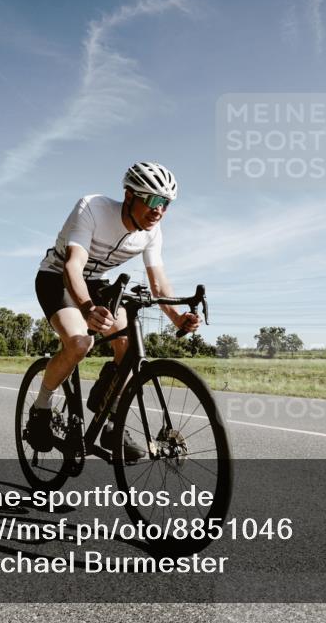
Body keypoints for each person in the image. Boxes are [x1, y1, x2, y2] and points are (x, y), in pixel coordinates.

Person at [27, 162, 201, 459]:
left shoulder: (152, 232)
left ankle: (108, 415)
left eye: (167, 204)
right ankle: (41, 407)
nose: (159, 210)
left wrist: (177, 317)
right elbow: (73, 265)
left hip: (96, 283)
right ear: (130, 196)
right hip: (57, 278)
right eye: (154, 200)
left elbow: (158, 284)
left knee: (127, 344)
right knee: (80, 342)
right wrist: (86, 307)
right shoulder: (93, 208)